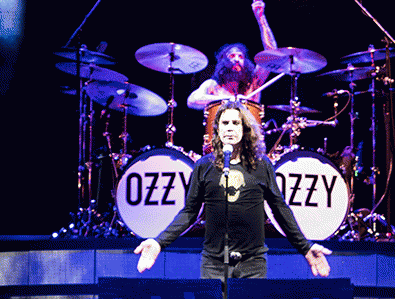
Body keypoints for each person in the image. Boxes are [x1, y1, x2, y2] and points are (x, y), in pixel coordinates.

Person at [134, 103, 332, 279]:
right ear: (217, 129)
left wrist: (305, 247)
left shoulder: (262, 165)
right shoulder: (204, 165)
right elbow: (189, 212)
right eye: (225, 123)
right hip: (214, 263)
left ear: (245, 128)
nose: (229, 128)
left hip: (252, 264)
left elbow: (280, 209)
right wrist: (159, 242)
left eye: (236, 123)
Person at [187, 0, 277, 109]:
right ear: (223, 62)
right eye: (232, 56)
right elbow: (191, 101)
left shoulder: (254, 82)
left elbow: (271, 53)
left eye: (241, 56)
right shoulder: (213, 85)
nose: (237, 59)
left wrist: (261, 18)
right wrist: (229, 99)